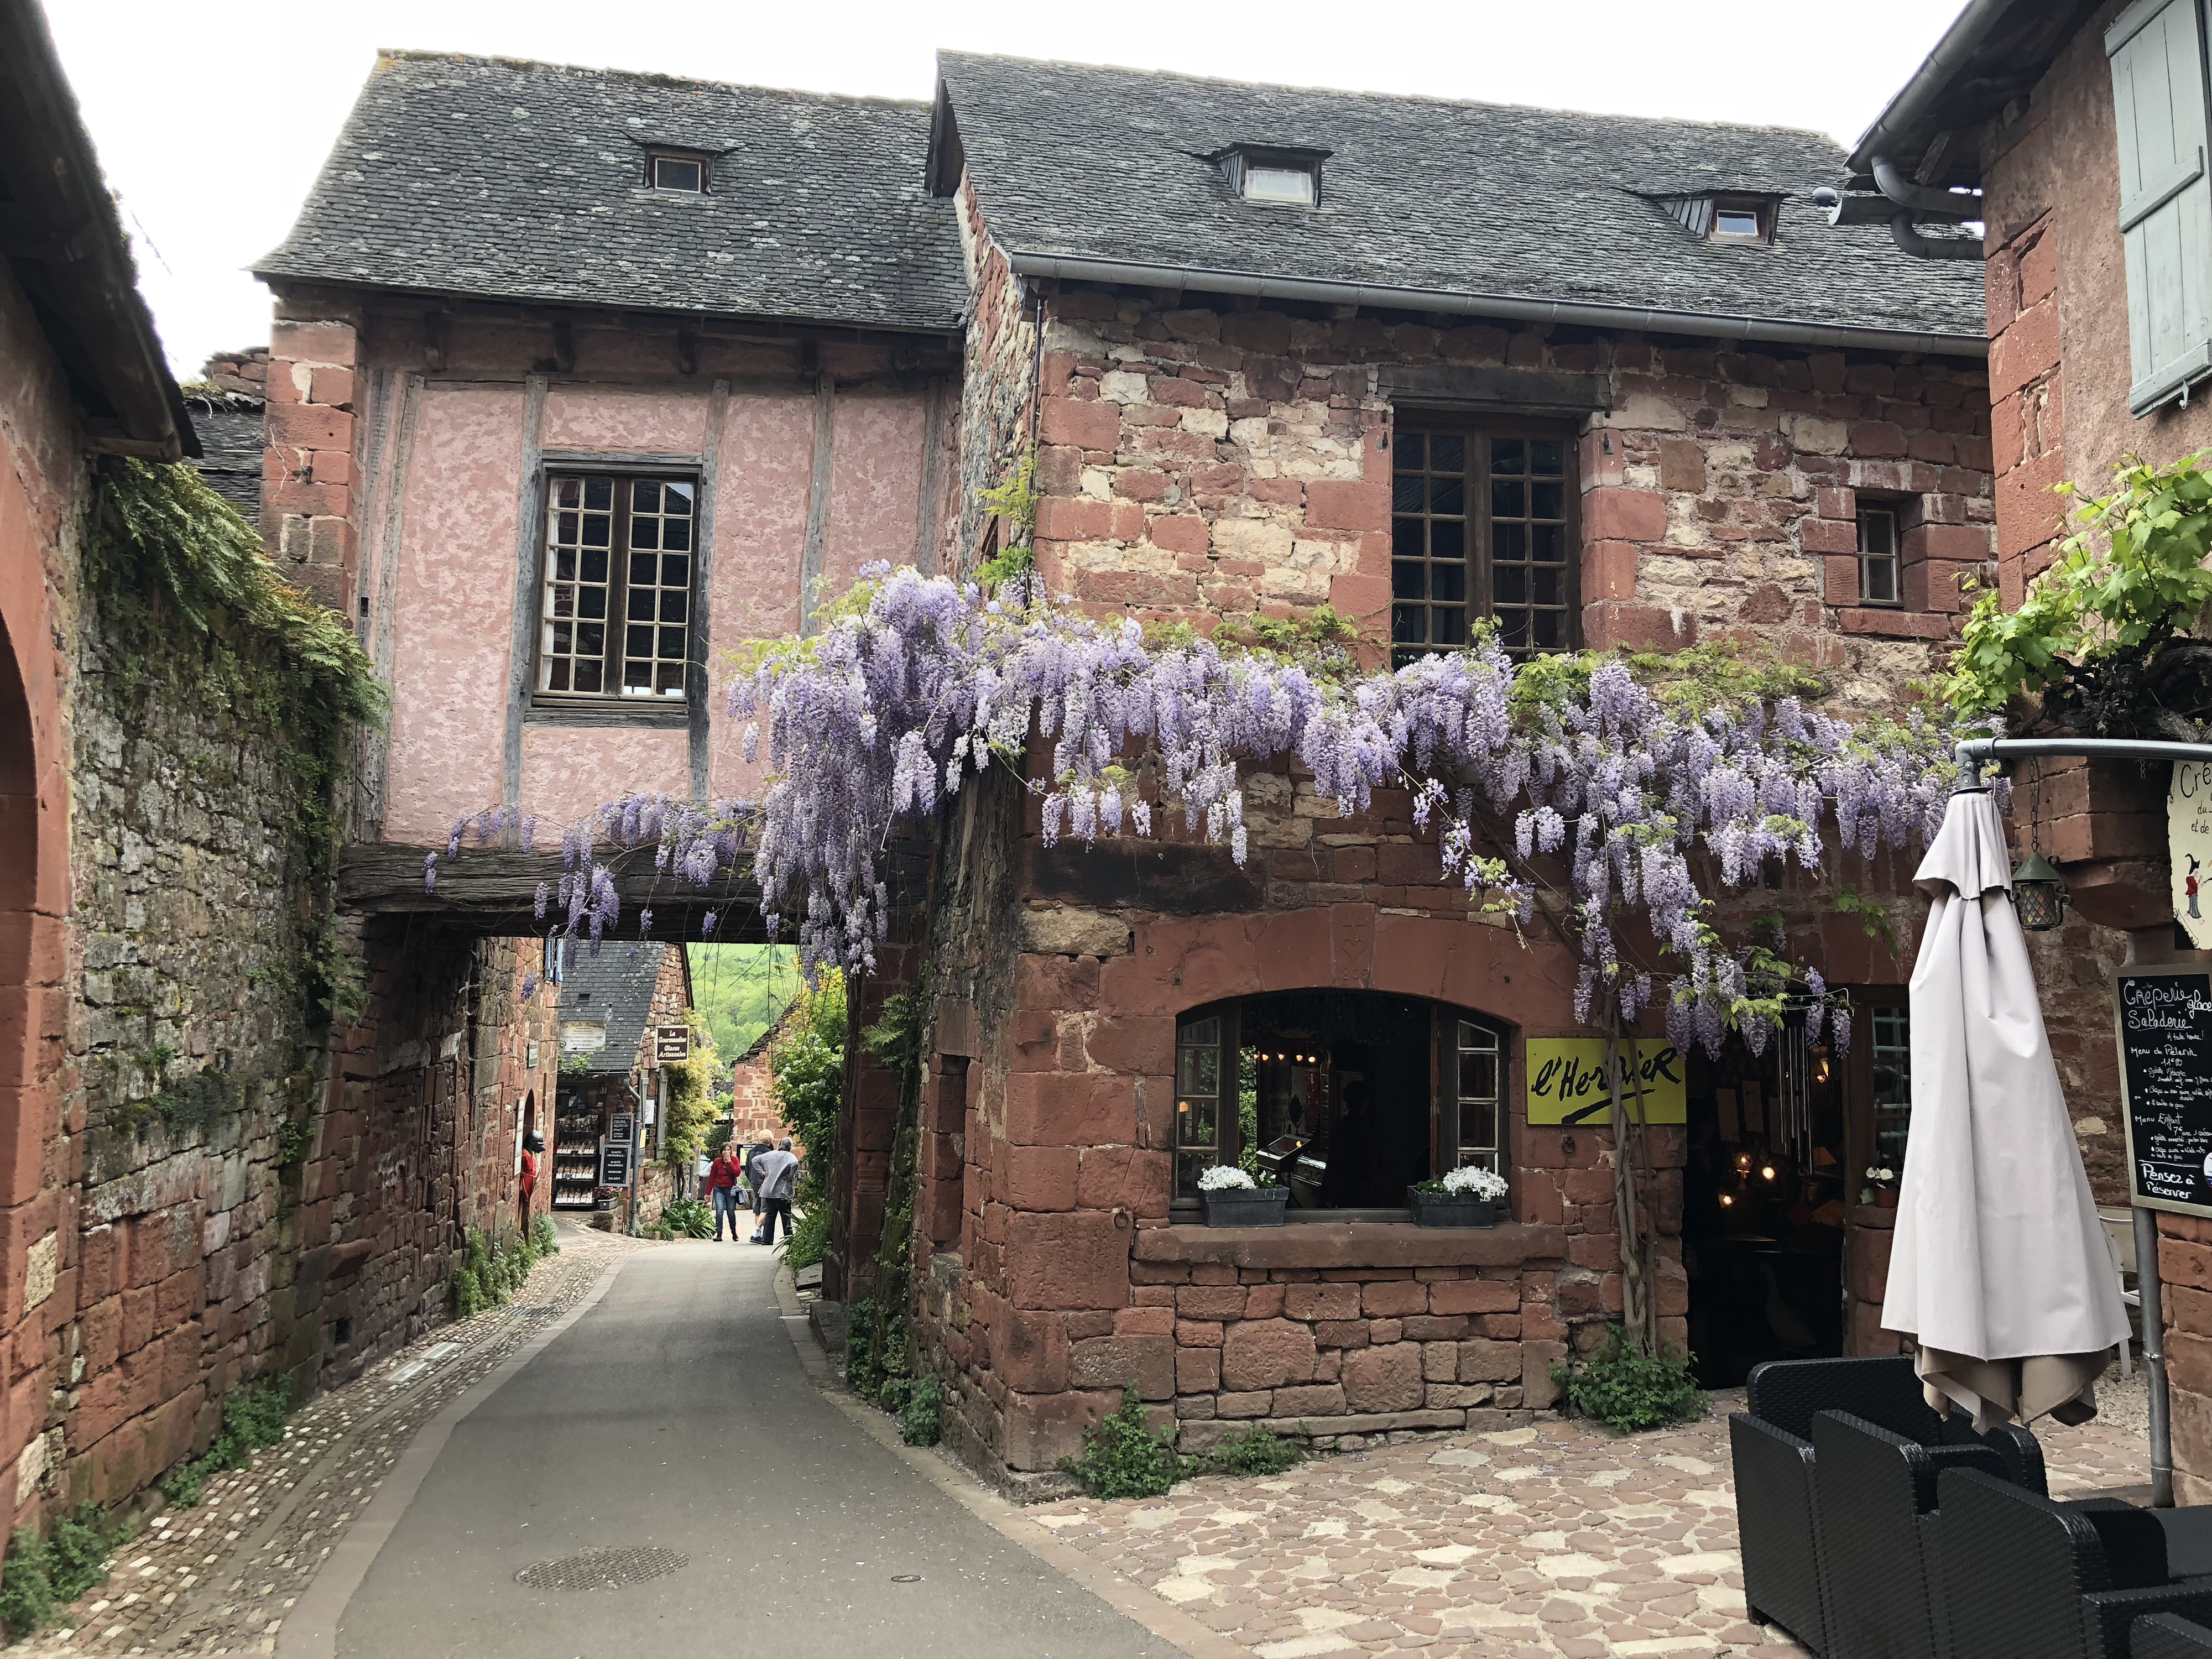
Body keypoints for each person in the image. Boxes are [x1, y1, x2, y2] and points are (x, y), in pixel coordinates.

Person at [752, 1139, 799, 1246]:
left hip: (768, 1190)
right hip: (782, 1192)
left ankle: (767, 1239)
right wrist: (790, 1175)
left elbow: (755, 1160)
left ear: (779, 1145)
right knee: (786, 1216)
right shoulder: (790, 1156)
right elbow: (795, 1164)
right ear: (790, 1147)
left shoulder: (770, 1154)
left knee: (770, 1215)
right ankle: (788, 1239)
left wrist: (763, 1173)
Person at [707, 1142, 745, 1241]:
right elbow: (712, 1177)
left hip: (731, 1190)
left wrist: (729, 1162)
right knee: (719, 1211)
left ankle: (734, 1232)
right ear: (721, 1152)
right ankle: (719, 1234)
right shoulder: (717, 1162)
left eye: (728, 1150)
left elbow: (737, 1173)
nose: (726, 1152)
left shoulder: (735, 1160)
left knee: (731, 1212)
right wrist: (708, 1193)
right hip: (719, 1189)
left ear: (731, 1151)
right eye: (725, 1150)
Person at [518, 1129, 542, 1237]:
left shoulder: (530, 1154)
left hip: (530, 1183)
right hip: (525, 1184)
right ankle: (519, 1227)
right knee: (521, 1206)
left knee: (525, 1206)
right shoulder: (524, 1154)